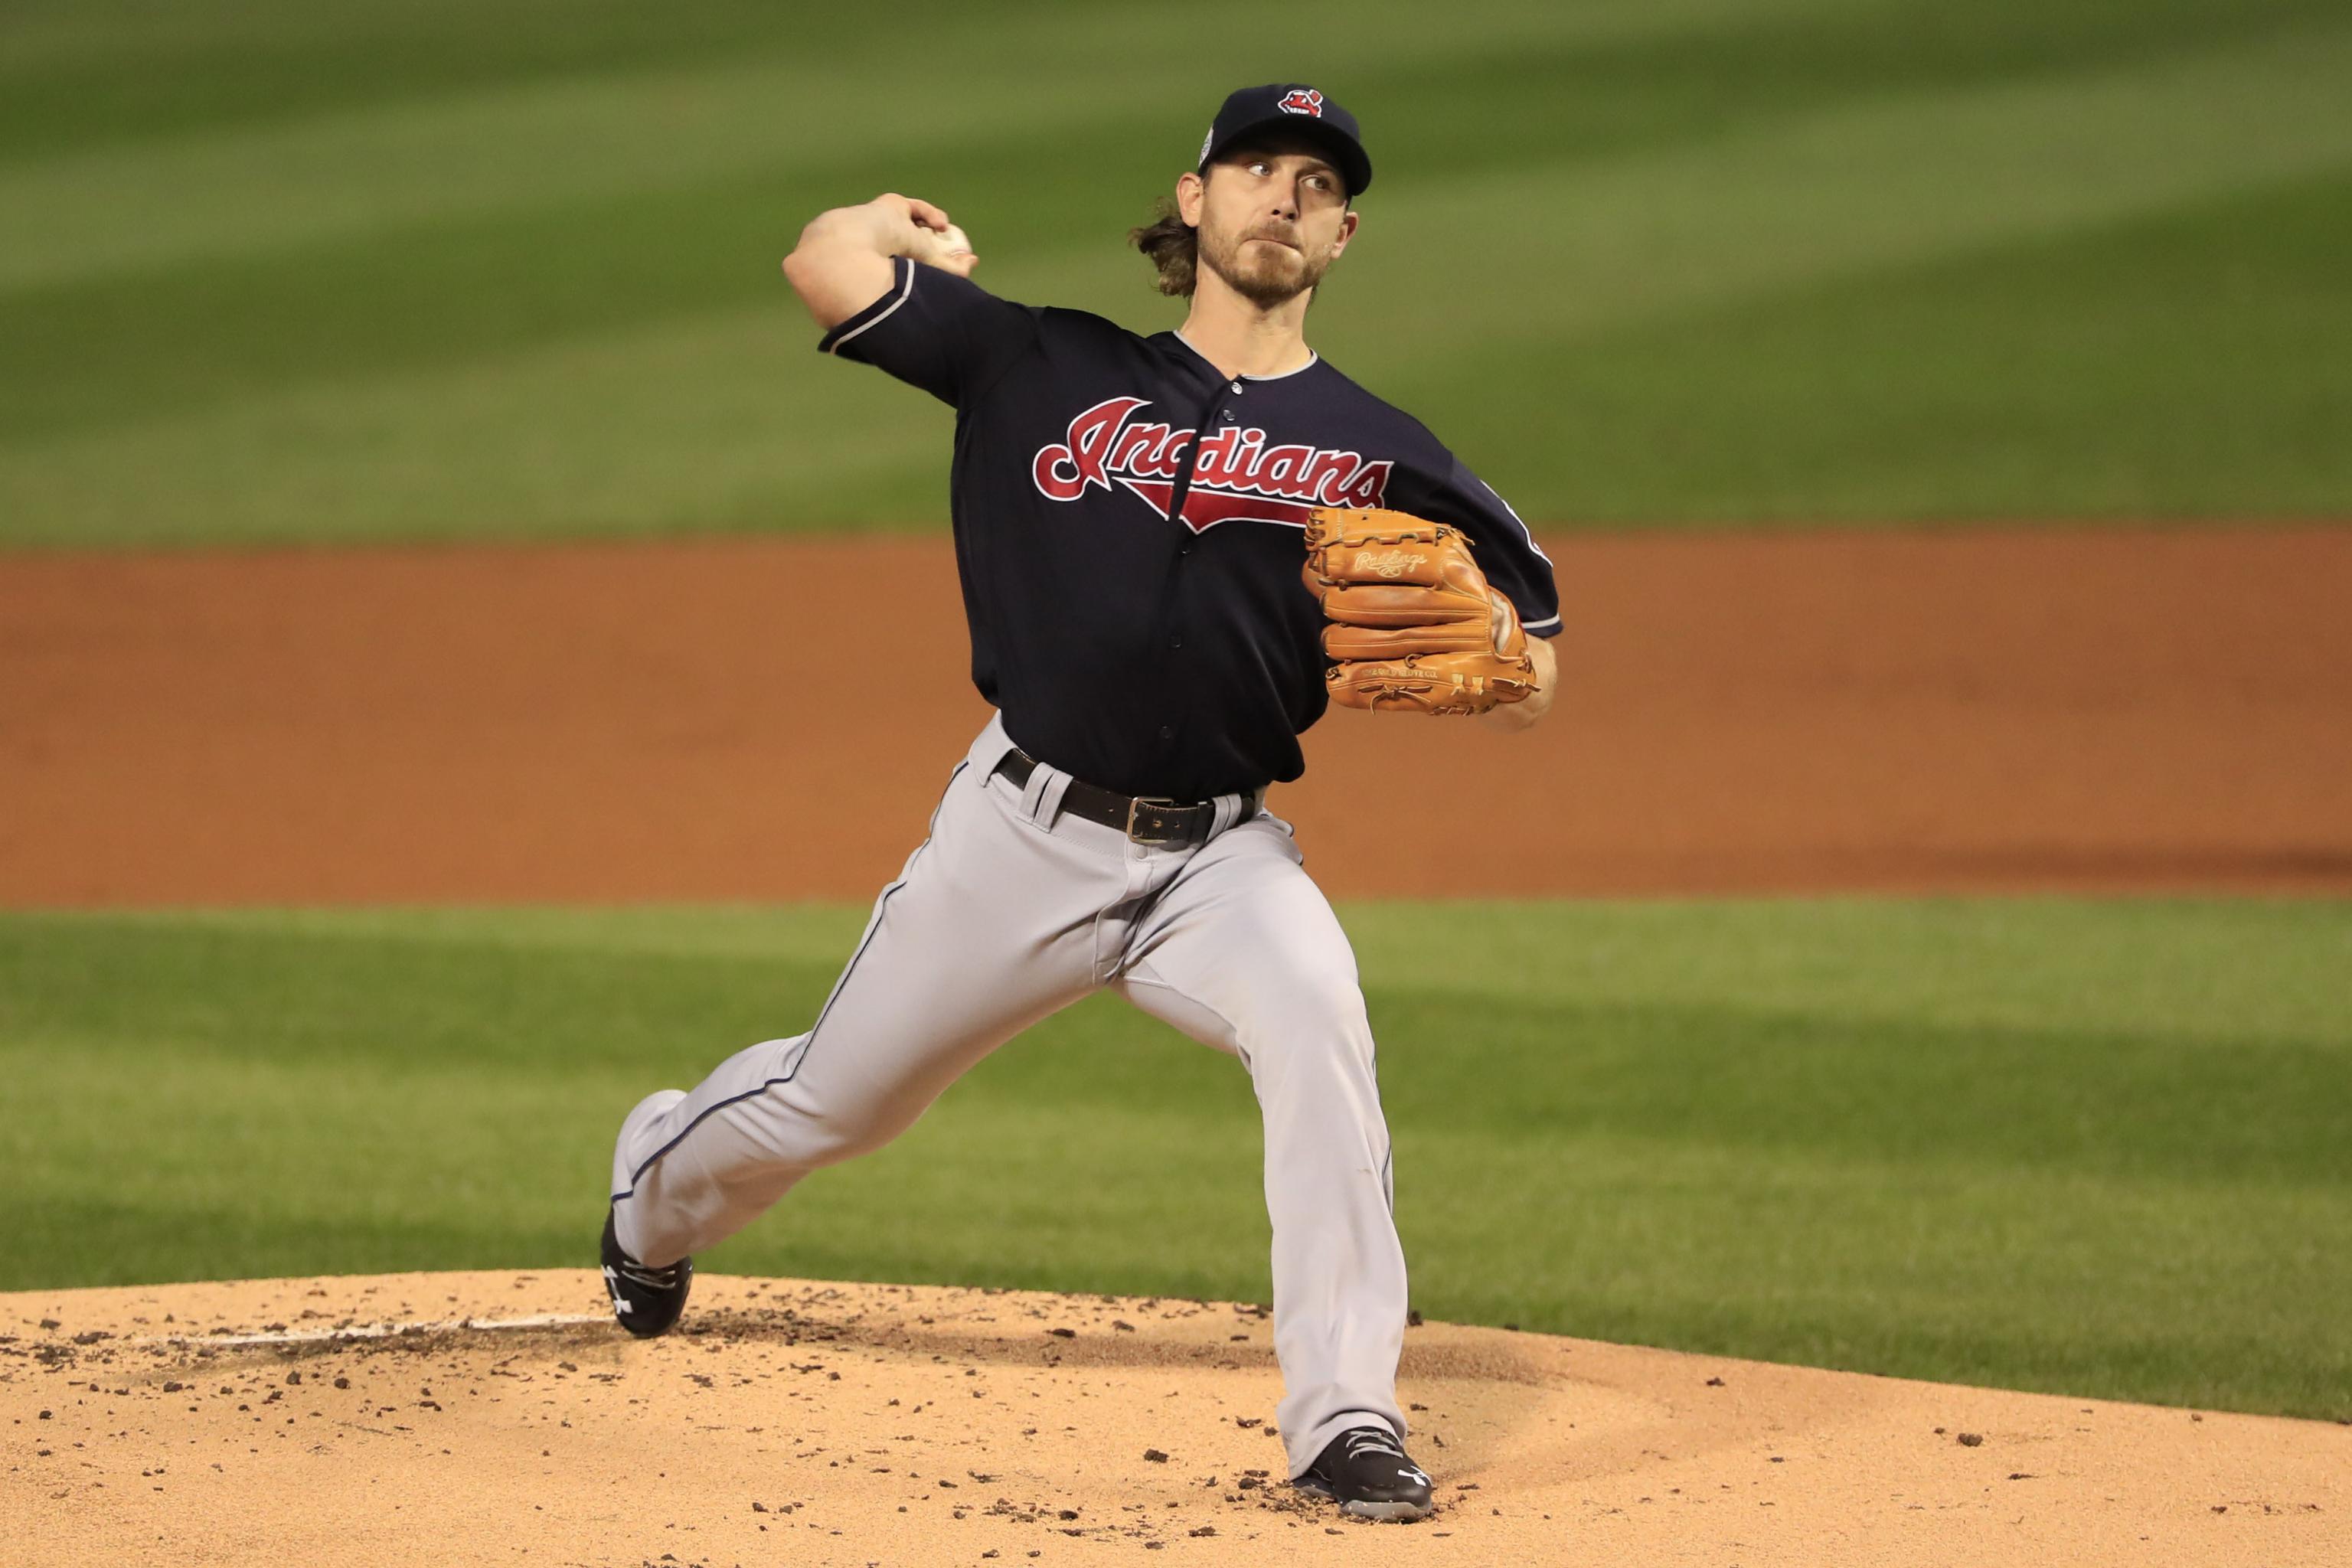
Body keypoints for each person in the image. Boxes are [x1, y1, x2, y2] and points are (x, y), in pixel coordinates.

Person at [601, 83, 1560, 1524]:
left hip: (1220, 862)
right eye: (1255, 169)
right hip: (1018, 837)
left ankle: (1346, 1413)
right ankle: (649, 1197)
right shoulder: (1041, 360)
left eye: (1316, 183)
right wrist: (883, 220)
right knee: (832, 1106)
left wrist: (1505, 665)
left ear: (1344, 233)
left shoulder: (1381, 447)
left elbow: (1534, 645)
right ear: (1194, 201)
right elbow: (823, 266)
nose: (1283, 196)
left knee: (1320, 1022)